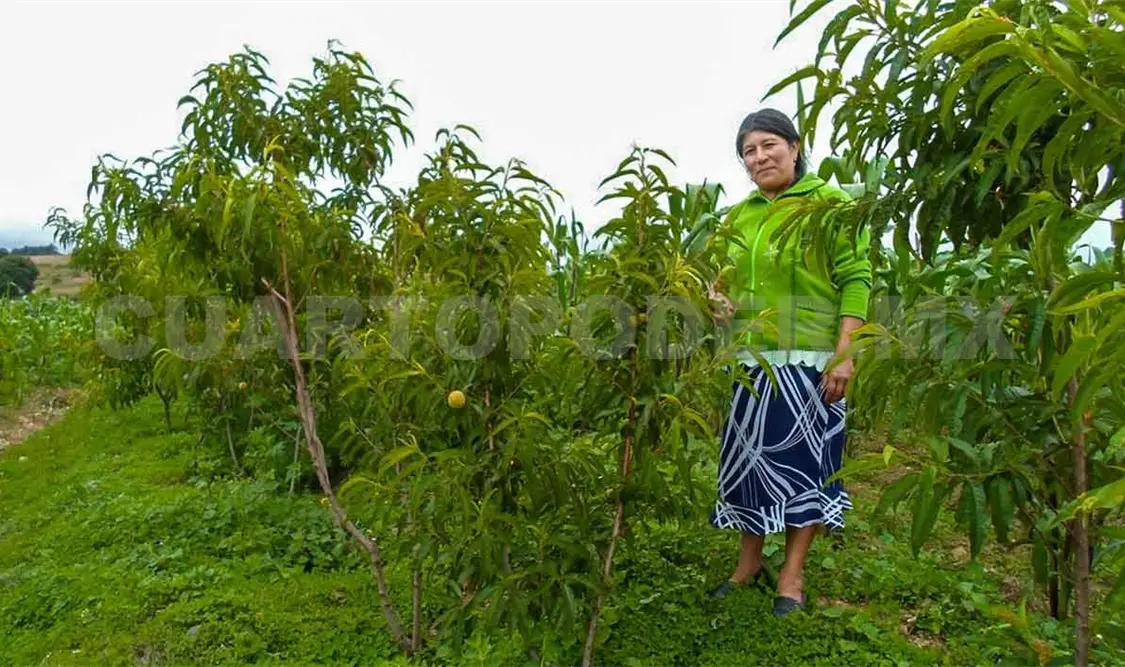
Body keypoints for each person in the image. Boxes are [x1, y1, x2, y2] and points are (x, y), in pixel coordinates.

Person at [706, 108, 872, 616]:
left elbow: (856, 278)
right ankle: (748, 563)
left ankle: (792, 576)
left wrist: (845, 355)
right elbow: (723, 279)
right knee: (751, 466)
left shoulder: (831, 204)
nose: (759, 158)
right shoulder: (740, 216)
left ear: (795, 147)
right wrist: (717, 297)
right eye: (748, 152)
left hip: (811, 362)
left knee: (805, 471)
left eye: (767, 146)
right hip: (752, 363)